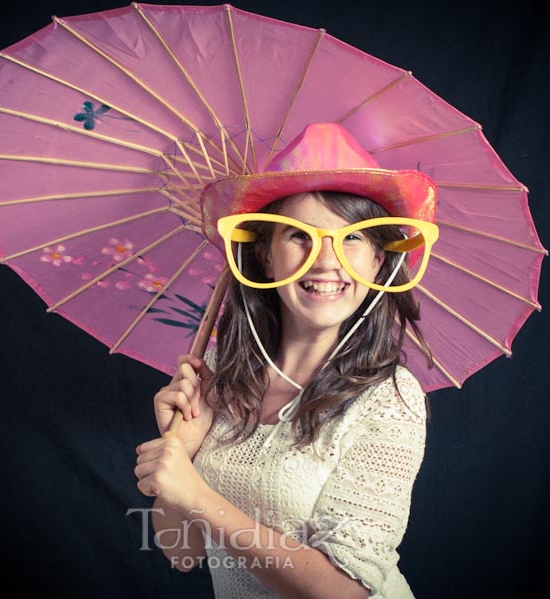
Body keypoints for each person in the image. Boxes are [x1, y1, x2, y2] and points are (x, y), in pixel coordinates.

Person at [134, 123, 439, 598]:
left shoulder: (389, 401)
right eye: (299, 236)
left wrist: (196, 493)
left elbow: (345, 592)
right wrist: (185, 449)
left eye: (352, 239)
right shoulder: (219, 372)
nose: (326, 260)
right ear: (264, 257)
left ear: (379, 261)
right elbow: (181, 551)